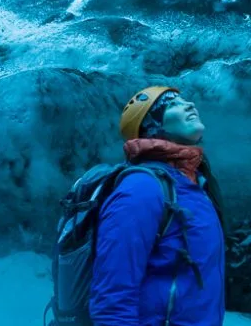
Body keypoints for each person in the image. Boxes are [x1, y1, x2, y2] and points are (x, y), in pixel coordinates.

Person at [89, 86, 226, 326]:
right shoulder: (142, 188)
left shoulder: (194, 185)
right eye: (172, 103)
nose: (189, 105)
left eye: (185, 100)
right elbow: (112, 301)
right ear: (151, 127)